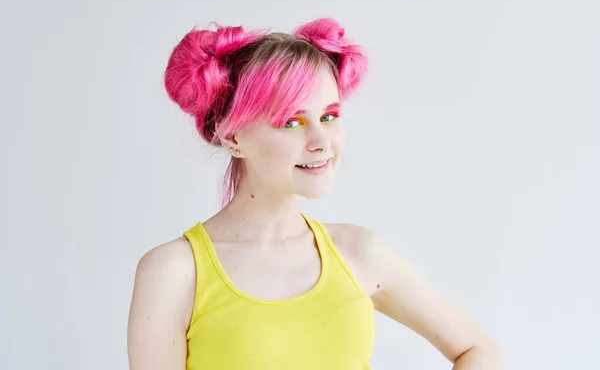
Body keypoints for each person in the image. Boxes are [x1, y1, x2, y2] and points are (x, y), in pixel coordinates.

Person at [127, 18, 502, 370]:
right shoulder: (174, 272)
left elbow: (477, 350)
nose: (321, 142)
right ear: (232, 137)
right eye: (291, 122)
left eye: (329, 116)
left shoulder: (358, 252)